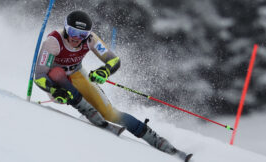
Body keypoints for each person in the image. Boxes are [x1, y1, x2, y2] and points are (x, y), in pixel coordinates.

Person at [34, 10, 186, 158]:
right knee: (57, 73)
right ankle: (88, 112)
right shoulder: (53, 42)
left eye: (82, 34)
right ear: (66, 30)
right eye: (73, 32)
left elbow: (113, 60)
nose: (77, 38)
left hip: (76, 74)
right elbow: (39, 76)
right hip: (55, 82)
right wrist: (54, 90)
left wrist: (104, 71)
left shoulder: (90, 39)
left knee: (110, 114)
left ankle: (158, 141)